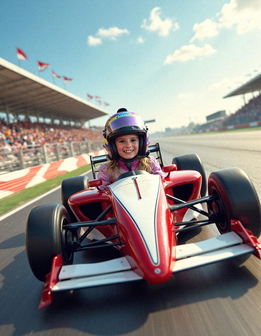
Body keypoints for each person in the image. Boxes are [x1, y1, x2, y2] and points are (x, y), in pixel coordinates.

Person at [97, 108, 165, 190]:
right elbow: (101, 196)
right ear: (112, 146)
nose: (128, 145)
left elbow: (162, 184)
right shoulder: (106, 170)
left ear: (142, 142)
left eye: (133, 140)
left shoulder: (151, 162)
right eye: (121, 141)